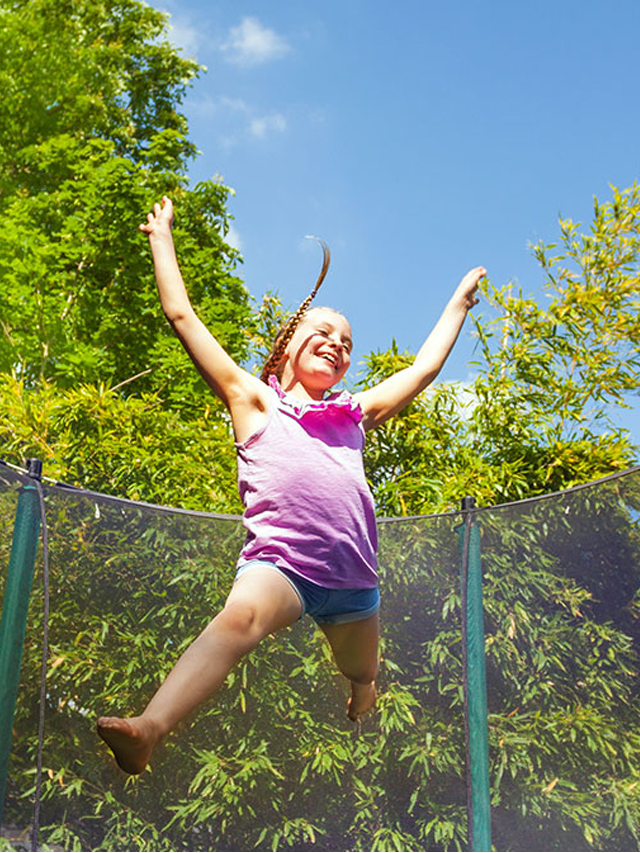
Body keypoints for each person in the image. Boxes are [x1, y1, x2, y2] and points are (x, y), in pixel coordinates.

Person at [97, 195, 485, 775]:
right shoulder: (253, 401)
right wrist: (161, 237)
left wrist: (456, 304)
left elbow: (423, 370)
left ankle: (363, 690)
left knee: (361, 668)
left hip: (354, 583)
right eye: (324, 330)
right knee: (239, 620)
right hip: (282, 570)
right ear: (288, 342)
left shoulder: (355, 413)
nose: (338, 343)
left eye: (347, 342)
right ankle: (149, 729)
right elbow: (182, 316)